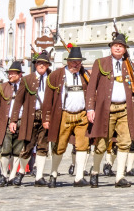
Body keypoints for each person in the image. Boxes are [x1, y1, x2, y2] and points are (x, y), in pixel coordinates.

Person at [86, 32, 134, 188]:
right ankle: (95, 172)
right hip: (106, 109)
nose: (118, 48)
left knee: (125, 142)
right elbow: (91, 88)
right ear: (111, 47)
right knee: (102, 144)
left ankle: (120, 176)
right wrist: (90, 107)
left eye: (121, 46)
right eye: (116, 45)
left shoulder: (130, 65)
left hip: (125, 108)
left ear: (124, 49)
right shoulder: (100, 63)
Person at [44, 45, 91, 186]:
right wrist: (46, 118)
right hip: (64, 114)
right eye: (73, 62)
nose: (76, 65)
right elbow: (48, 99)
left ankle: (79, 176)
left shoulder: (85, 75)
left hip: (82, 114)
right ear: (67, 62)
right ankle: (53, 174)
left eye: (78, 62)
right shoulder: (56, 75)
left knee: (83, 145)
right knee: (59, 146)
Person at [13, 51, 53, 187]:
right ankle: (22, 172)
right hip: (30, 116)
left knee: (43, 147)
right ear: (35, 65)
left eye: (44, 63)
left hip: (46, 117)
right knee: (27, 147)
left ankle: (39, 176)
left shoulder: (52, 78)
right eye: (39, 63)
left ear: (48, 65)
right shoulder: (27, 79)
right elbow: (18, 100)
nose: (42, 65)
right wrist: (13, 120)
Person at [0, 61, 25, 186]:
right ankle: (4, 174)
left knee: (17, 150)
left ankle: (12, 175)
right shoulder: (2, 87)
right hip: (5, 122)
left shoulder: (24, 87)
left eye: (13, 74)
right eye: (9, 73)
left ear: (20, 74)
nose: (10, 76)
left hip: (21, 121)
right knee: (5, 149)